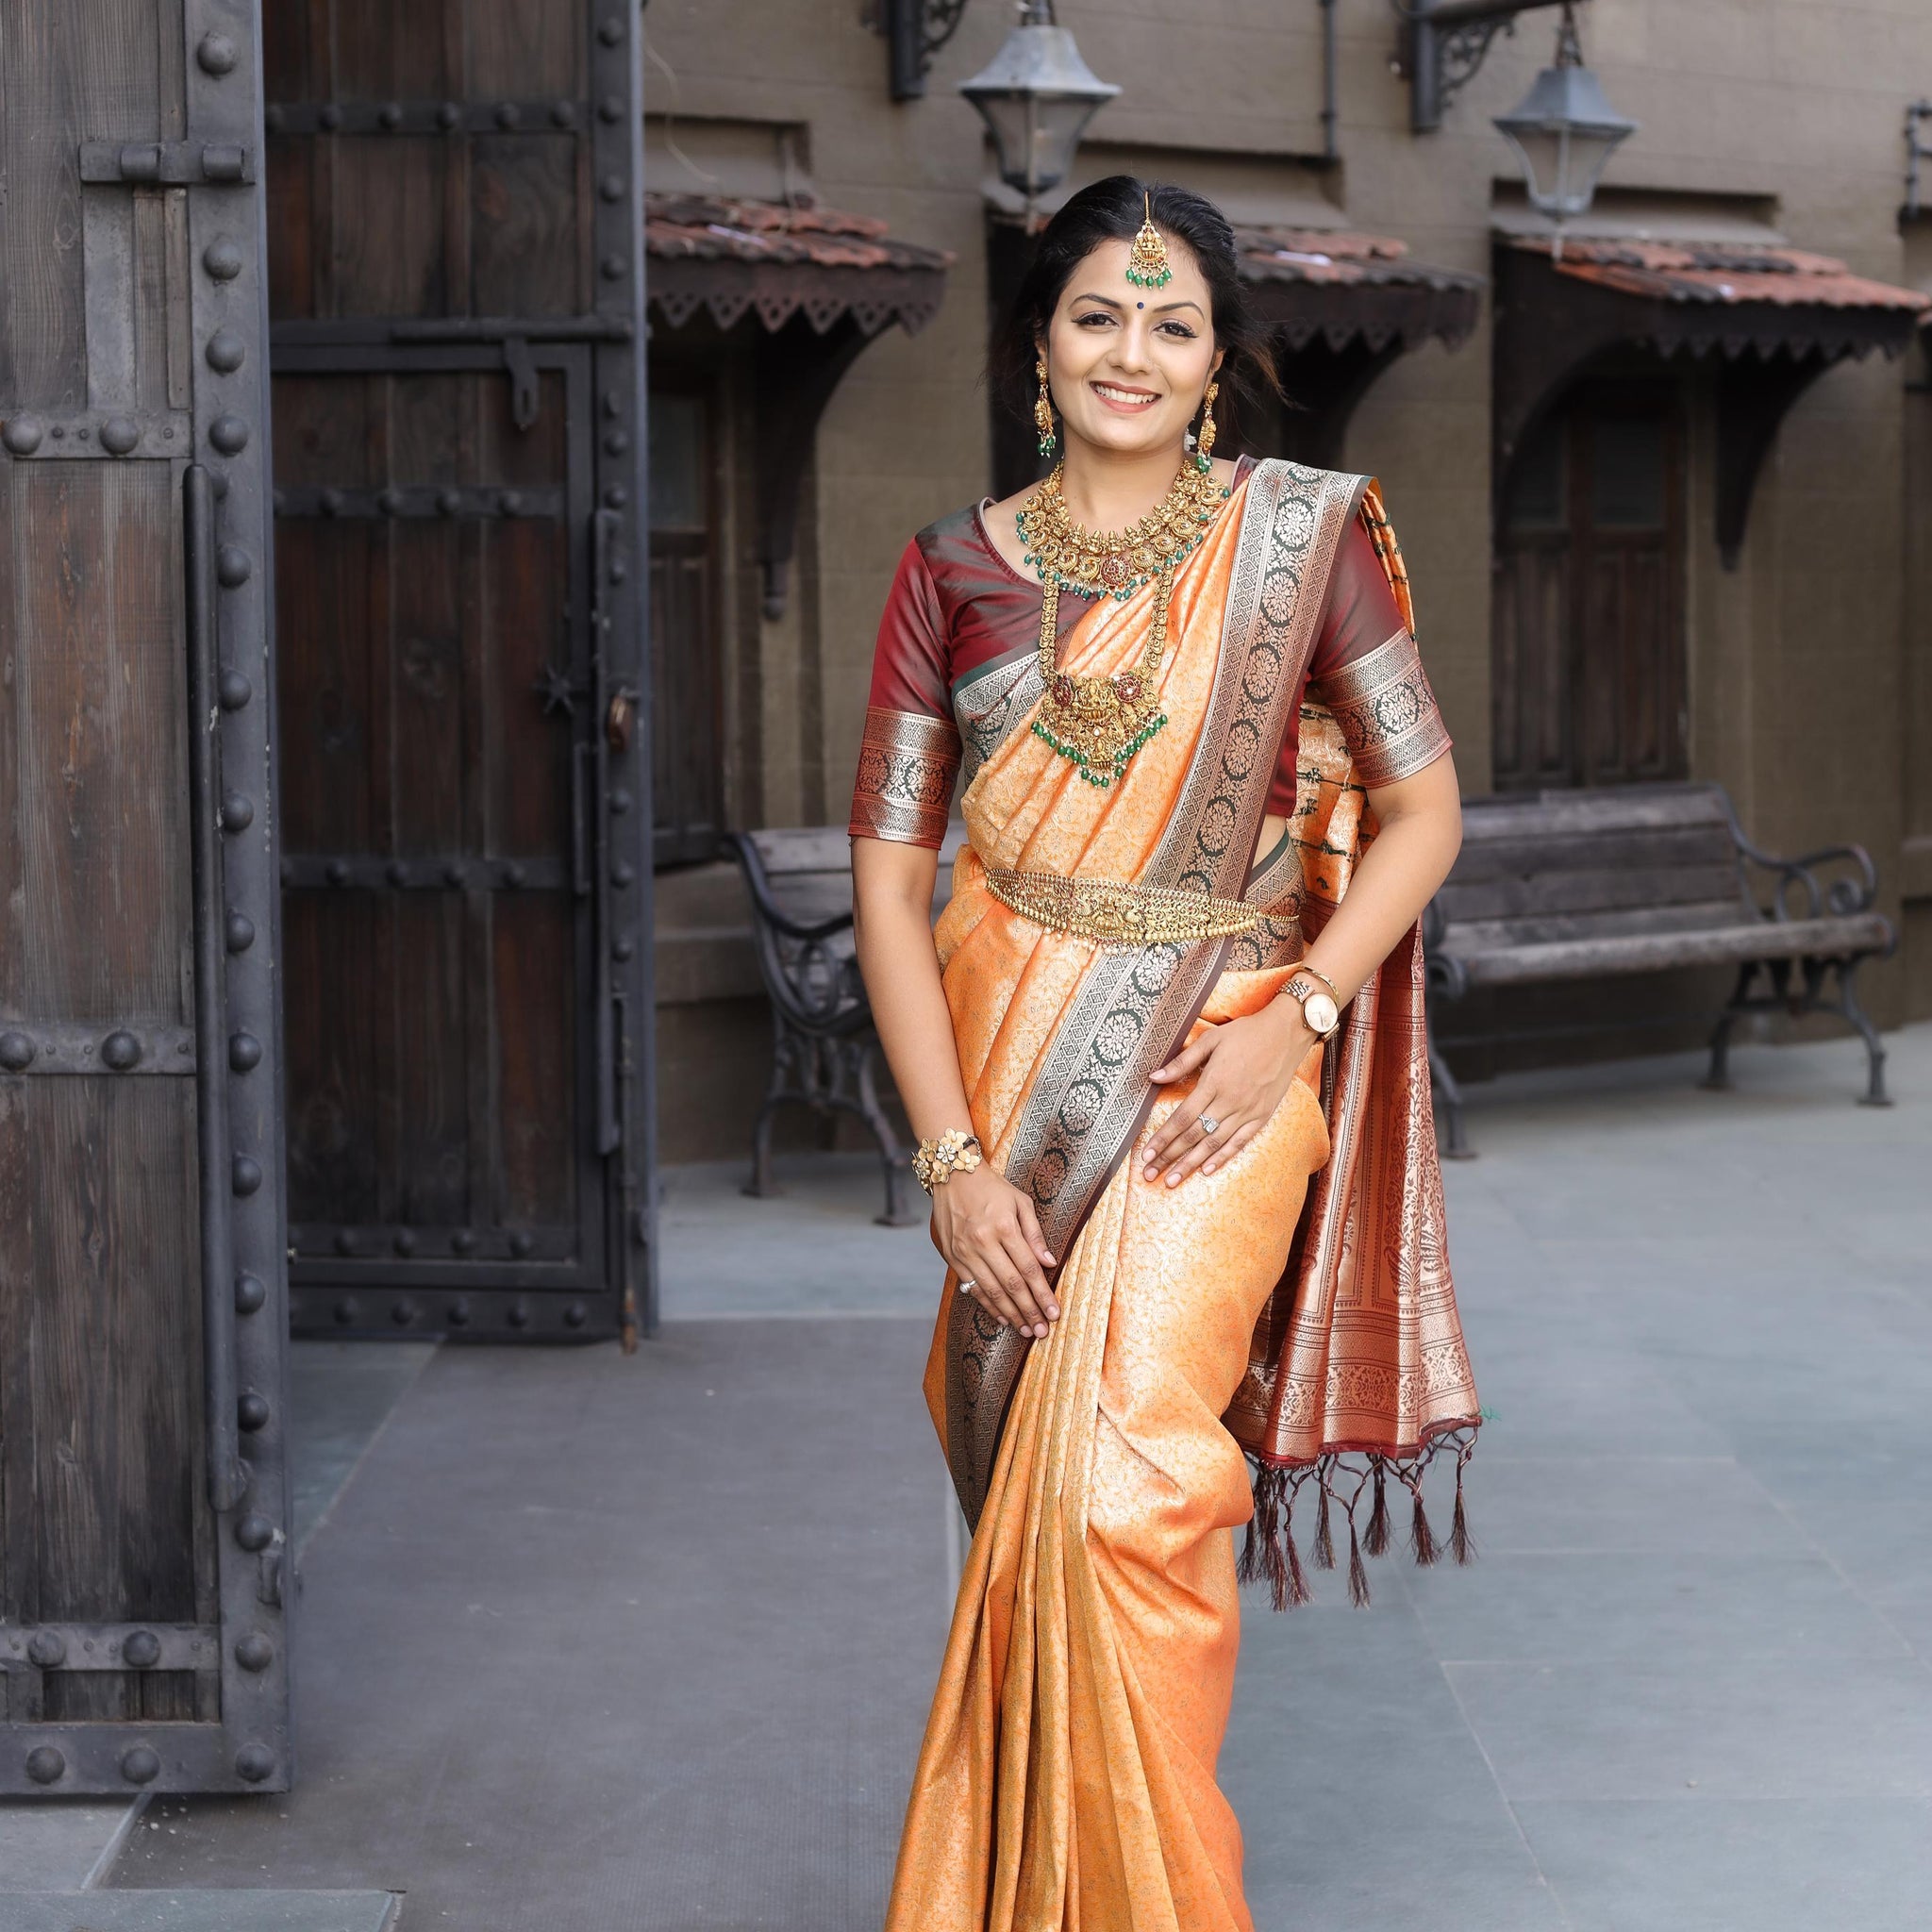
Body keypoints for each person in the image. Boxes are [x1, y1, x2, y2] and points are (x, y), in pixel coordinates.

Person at [849, 176, 1480, 1932]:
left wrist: (1310, 1011)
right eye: (1099, 317)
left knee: (1126, 1485)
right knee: (1029, 1508)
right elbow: (893, 892)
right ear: (1038, 348)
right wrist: (954, 1166)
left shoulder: (1306, 541)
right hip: (1002, 1085)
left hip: (1229, 1062)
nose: (1134, 352)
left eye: (1174, 322)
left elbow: (1423, 814)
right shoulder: (950, 574)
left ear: (1222, 364)